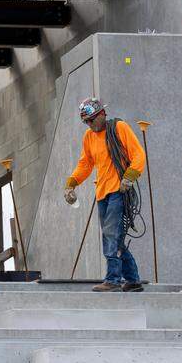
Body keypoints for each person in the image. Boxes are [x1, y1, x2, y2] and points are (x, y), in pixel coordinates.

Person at [64, 98, 146, 292]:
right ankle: (133, 279)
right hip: (102, 192)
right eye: (86, 122)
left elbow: (138, 155)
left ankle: (113, 280)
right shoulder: (89, 137)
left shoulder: (119, 127)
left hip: (119, 190)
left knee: (110, 235)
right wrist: (71, 184)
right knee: (114, 238)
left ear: (102, 114)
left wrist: (129, 176)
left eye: (92, 120)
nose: (90, 125)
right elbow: (86, 164)